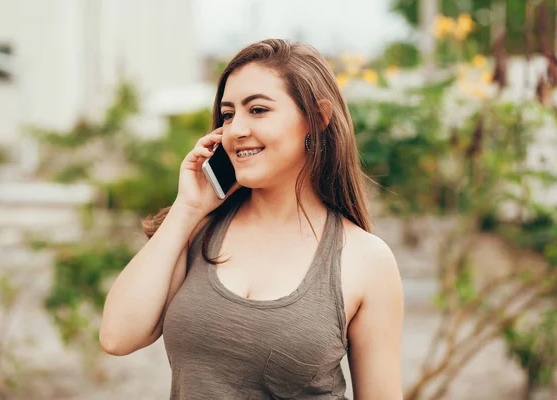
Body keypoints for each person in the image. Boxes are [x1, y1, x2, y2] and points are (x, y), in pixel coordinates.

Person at [99, 39, 404, 400]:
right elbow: (117, 337)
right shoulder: (197, 229)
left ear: (318, 120)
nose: (235, 130)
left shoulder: (365, 259)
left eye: (257, 110)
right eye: (228, 115)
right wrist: (186, 209)